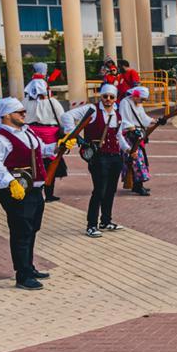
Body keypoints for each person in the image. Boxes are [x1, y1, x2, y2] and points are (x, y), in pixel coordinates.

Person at [0, 97, 53, 290]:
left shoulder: (28, 132)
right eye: (19, 111)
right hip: (16, 192)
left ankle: (29, 267)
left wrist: (59, 145)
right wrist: (10, 182)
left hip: (35, 190)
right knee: (21, 232)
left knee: (32, 229)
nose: (24, 113)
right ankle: (22, 276)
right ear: (6, 115)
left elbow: (43, 151)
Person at [64, 84, 131, 238]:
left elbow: (118, 136)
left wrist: (127, 150)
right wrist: (75, 137)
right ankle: (91, 225)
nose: (108, 99)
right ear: (101, 96)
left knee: (111, 190)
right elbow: (66, 116)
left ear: (115, 99)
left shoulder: (117, 114)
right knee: (99, 191)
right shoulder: (92, 110)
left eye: (111, 97)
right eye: (105, 96)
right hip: (98, 157)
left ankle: (106, 221)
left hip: (115, 157)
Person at [24, 63, 68, 202]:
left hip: (32, 134)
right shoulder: (52, 103)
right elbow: (63, 120)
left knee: (35, 164)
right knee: (50, 165)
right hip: (50, 136)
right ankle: (48, 194)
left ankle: (36, 192)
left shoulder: (25, 103)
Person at [119, 85, 166, 197]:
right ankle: (138, 186)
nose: (142, 102)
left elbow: (142, 117)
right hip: (129, 135)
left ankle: (137, 185)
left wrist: (156, 121)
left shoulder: (137, 103)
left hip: (137, 134)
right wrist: (132, 129)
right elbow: (123, 119)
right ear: (135, 96)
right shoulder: (125, 103)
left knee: (140, 159)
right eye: (142, 99)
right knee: (136, 159)